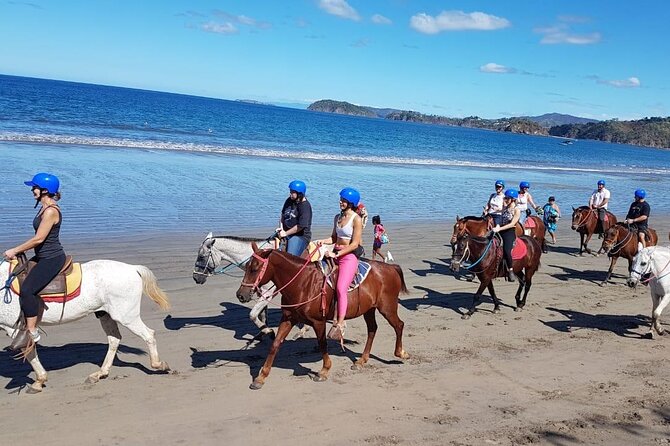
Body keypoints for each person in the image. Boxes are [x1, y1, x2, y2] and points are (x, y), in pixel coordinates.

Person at [3, 173, 67, 344]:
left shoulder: (51, 211)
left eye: (35, 187)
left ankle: (32, 332)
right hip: (42, 256)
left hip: (52, 258)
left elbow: (38, 239)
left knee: (27, 290)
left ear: (45, 190)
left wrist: (14, 250)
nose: (32, 190)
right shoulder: (43, 207)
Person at [316, 187, 363, 341]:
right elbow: (333, 238)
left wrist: (337, 254)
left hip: (348, 256)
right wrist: (321, 241)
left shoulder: (356, 219)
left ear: (351, 203)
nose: (340, 202)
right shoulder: (337, 217)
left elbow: (355, 244)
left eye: (343, 200)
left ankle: (340, 323)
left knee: (341, 288)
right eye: (341, 200)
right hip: (334, 252)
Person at [277, 180, 312, 257]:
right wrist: (281, 228)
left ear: (299, 194)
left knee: (289, 258)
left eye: (292, 192)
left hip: (299, 236)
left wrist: (285, 233)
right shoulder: (289, 200)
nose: (290, 194)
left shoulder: (305, 207)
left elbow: (300, 226)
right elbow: (282, 215)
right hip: (284, 232)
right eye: (290, 191)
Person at [492, 189, 521, 282]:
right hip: (500, 229)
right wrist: (497, 226)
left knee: (506, 250)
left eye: (507, 198)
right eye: (505, 198)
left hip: (509, 232)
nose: (505, 199)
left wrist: (499, 229)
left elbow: (512, 224)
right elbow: (500, 220)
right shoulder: (505, 208)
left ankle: (510, 270)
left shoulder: (516, 210)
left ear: (513, 199)